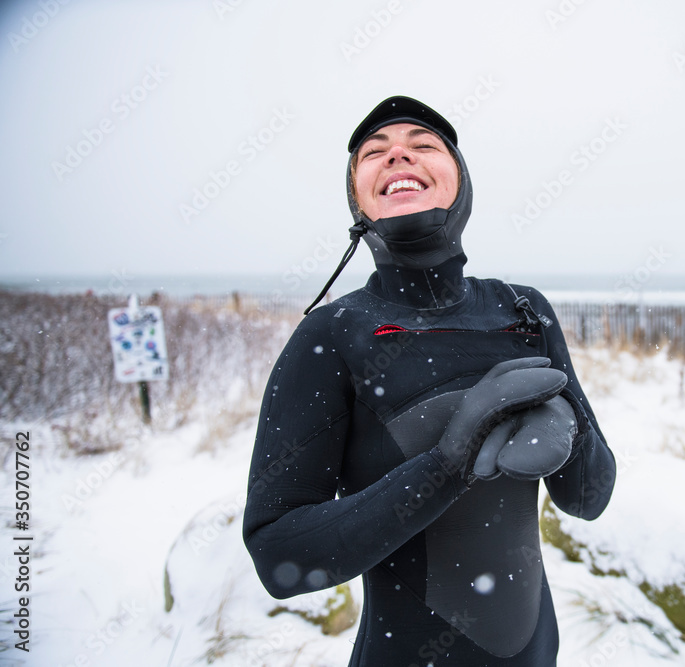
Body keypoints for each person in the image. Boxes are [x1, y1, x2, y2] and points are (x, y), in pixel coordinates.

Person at [242, 95, 616, 665]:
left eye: (423, 146)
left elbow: (589, 499)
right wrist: (446, 462)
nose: (398, 157)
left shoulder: (522, 310)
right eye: (374, 153)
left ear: (460, 182)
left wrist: (569, 428)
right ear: (357, 198)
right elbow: (277, 555)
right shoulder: (333, 335)